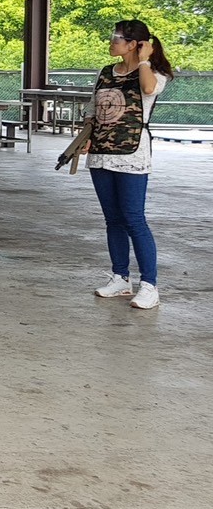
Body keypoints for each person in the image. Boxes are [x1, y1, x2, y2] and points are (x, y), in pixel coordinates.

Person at [88, 20, 174, 310]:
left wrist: (145, 60)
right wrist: (83, 139)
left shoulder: (153, 72)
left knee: (134, 219)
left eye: (116, 38)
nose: (111, 43)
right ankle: (120, 278)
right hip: (101, 153)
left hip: (132, 154)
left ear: (134, 44)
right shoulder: (105, 72)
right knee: (113, 219)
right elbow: (93, 109)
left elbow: (149, 89)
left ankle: (149, 285)